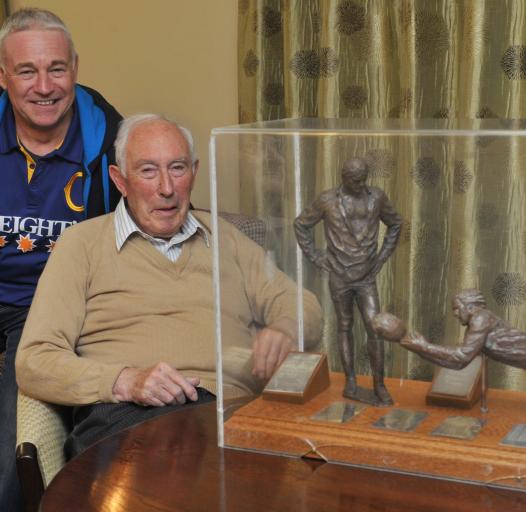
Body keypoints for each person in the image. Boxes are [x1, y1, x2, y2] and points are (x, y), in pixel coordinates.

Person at [16, 113, 322, 459]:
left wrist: (284, 327)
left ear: (194, 172)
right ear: (120, 180)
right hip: (129, 416)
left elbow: (305, 306)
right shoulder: (81, 245)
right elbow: (34, 361)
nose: (166, 188)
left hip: (232, 413)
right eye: (148, 170)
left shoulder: (226, 238)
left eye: (177, 168)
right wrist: (125, 381)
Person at [0, 8, 122, 510]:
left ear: (75, 67)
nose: (44, 86)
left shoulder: (112, 139)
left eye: (57, 68)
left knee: (9, 475)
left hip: (45, 313)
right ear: (3, 76)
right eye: (27, 71)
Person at [294, 157, 401, 406]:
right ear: (343, 177)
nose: (361, 184)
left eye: (364, 179)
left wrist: (382, 258)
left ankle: (379, 385)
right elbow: (301, 224)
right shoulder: (326, 200)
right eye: (355, 180)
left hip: (366, 276)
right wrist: (317, 258)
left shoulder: (377, 197)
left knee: (376, 328)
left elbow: (395, 224)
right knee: (344, 326)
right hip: (339, 274)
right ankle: (351, 382)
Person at [373, 288, 526, 380]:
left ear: (469, 306)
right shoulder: (478, 326)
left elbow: (460, 357)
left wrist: (423, 345)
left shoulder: (481, 319)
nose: (455, 315)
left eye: (456, 309)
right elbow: (457, 363)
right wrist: (411, 344)